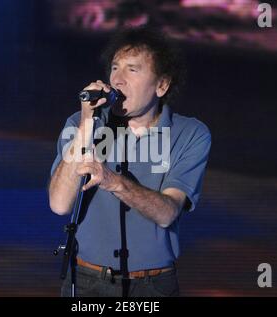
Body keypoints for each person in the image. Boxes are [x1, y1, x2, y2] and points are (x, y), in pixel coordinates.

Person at [48, 26, 211, 297]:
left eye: (132, 70)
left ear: (161, 85)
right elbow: (59, 204)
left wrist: (114, 182)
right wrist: (88, 122)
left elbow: (167, 212)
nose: (118, 80)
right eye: (115, 68)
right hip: (87, 281)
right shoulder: (80, 125)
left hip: (152, 287)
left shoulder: (190, 133)